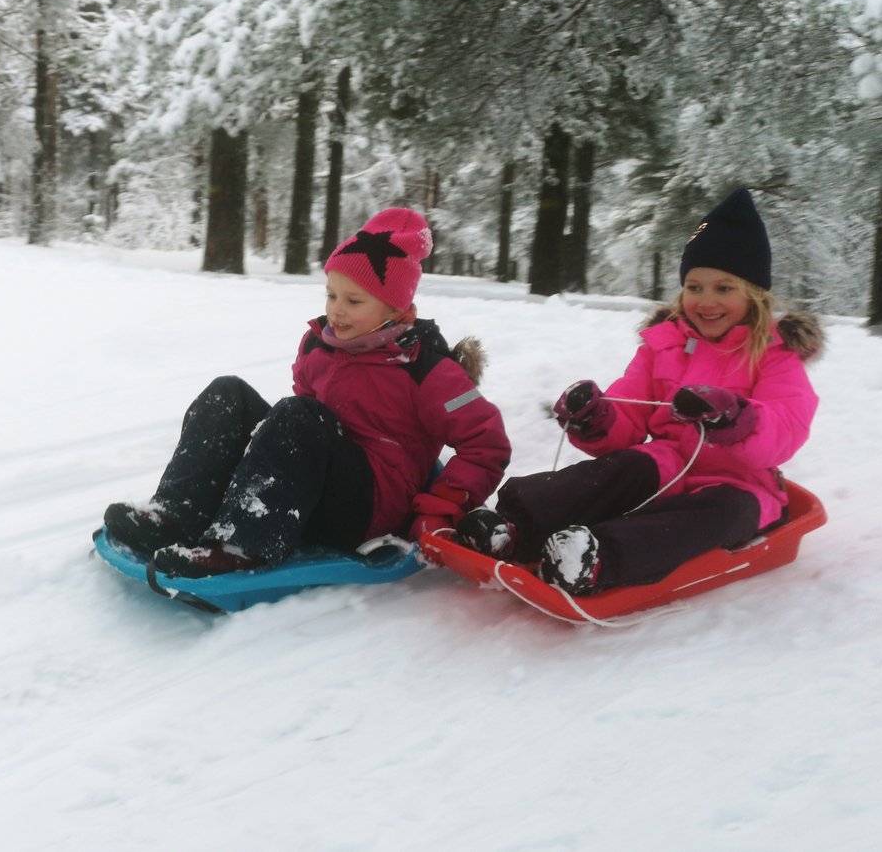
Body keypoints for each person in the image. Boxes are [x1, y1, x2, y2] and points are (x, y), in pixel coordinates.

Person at [102, 208, 511, 578]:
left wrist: (438, 511)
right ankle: (176, 515)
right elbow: (295, 433)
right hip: (314, 486)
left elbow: (486, 444)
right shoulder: (320, 345)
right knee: (228, 393)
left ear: (395, 308)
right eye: (331, 295)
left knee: (300, 414)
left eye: (354, 301)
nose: (336, 311)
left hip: (368, 508)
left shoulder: (428, 369)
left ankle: (240, 545)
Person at [456, 188, 822, 595]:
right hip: (667, 462)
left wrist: (736, 419)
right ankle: (514, 530)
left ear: (754, 294)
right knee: (621, 469)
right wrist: (596, 418)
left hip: (741, 484)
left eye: (724, 289)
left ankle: (596, 560)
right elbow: (627, 415)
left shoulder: (775, 354)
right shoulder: (662, 345)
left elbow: (787, 425)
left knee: (714, 516)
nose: (706, 301)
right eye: (694, 287)